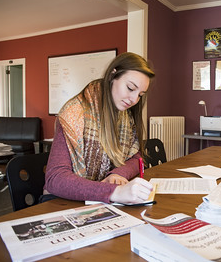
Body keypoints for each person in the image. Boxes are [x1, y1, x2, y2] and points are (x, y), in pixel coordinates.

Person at [43, 52, 155, 205]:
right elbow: (55, 178)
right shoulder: (73, 114)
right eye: (130, 88)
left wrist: (117, 174)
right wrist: (114, 191)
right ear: (112, 75)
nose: (134, 100)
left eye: (140, 94)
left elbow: (136, 158)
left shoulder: (125, 116)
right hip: (62, 202)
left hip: (99, 200)